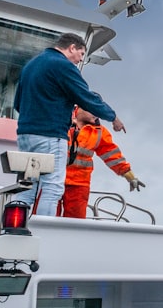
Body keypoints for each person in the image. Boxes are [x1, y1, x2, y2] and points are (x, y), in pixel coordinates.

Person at [13, 33, 125, 216]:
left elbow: (18, 103)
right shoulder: (62, 65)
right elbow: (85, 96)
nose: (80, 60)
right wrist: (113, 117)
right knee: (53, 188)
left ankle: (17, 228)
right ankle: (45, 231)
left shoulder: (31, 65)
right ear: (72, 47)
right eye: (81, 54)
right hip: (49, 135)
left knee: (27, 187)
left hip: (25, 136)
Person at [59, 106, 145, 218]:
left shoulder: (99, 132)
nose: (96, 114)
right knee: (45, 214)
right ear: (80, 106)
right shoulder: (61, 119)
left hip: (79, 184)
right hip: (53, 179)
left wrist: (130, 176)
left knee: (76, 220)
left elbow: (112, 155)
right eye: (93, 109)